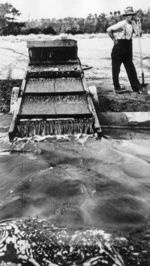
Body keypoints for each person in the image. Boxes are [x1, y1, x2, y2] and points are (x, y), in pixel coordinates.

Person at [107, 6, 141, 94]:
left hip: (128, 47)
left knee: (131, 68)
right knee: (116, 69)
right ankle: (117, 88)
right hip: (119, 48)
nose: (131, 17)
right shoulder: (121, 24)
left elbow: (138, 33)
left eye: (132, 15)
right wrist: (114, 40)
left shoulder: (133, 23)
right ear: (125, 16)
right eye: (129, 15)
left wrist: (138, 23)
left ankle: (136, 87)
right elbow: (109, 30)